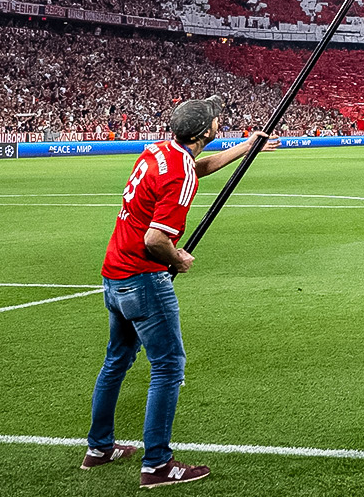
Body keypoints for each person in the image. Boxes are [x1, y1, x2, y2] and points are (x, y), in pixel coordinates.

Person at [86, 95, 275, 487]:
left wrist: (247, 146)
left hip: (114, 273)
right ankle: (157, 464)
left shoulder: (160, 151)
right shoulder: (179, 172)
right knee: (169, 367)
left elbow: (196, 166)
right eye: (216, 121)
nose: (219, 122)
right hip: (143, 277)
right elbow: (156, 238)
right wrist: (179, 259)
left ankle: (99, 447)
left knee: (116, 361)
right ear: (205, 131)